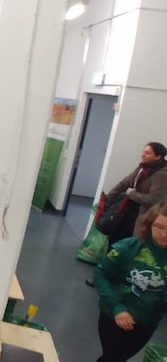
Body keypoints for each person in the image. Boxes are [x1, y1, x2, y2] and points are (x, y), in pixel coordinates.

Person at [86, 142, 167, 288]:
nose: (143, 155)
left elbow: (154, 200)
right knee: (114, 243)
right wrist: (107, 200)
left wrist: (132, 194)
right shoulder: (143, 168)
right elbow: (123, 184)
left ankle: (117, 280)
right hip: (126, 213)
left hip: (140, 217)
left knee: (128, 249)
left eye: (148, 153)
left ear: (158, 156)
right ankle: (103, 276)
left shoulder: (162, 174)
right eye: (143, 151)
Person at [94, 202, 167, 361]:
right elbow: (101, 274)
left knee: (121, 357)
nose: (164, 234)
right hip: (115, 316)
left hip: (147, 322)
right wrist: (117, 308)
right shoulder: (127, 248)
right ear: (149, 225)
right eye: (159, 227)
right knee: (113, 357)